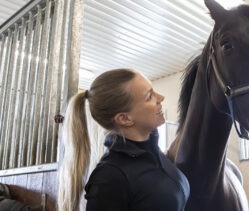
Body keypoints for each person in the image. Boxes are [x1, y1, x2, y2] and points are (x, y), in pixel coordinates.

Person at [58, 68, 190, 211]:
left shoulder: (154, 154)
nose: (161, 98)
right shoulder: (109, 178)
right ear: (125, 118)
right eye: (149, 96)